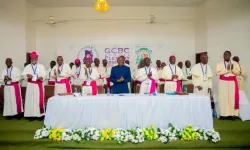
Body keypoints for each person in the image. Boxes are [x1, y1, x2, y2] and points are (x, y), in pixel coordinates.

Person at [22, 52, 46, 121]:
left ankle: (40, 115)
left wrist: (41, 77)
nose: (33, 59)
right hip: (30, 85)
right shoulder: (27, 66)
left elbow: (44, 75)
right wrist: (27, 75)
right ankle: (31, 115)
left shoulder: (41, 66)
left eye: (35, 58)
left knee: (38, 100)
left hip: (38, 85)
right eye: (32, 58)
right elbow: (23, 74)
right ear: (31, 58)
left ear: (37, 58)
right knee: (30, 100)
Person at [216, 51, 240, 120]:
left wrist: (232, 69)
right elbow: (217, 73)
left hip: (232, 82)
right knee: (223, 97)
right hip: (223, 82)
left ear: (230, 55)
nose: (225, 56)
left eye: (227, 54)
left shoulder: (235, 63)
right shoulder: (219, 63)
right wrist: (226, 69)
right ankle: (223, 115)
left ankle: (232, 114)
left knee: (231, 98)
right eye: (224, 54)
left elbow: (238, 73)